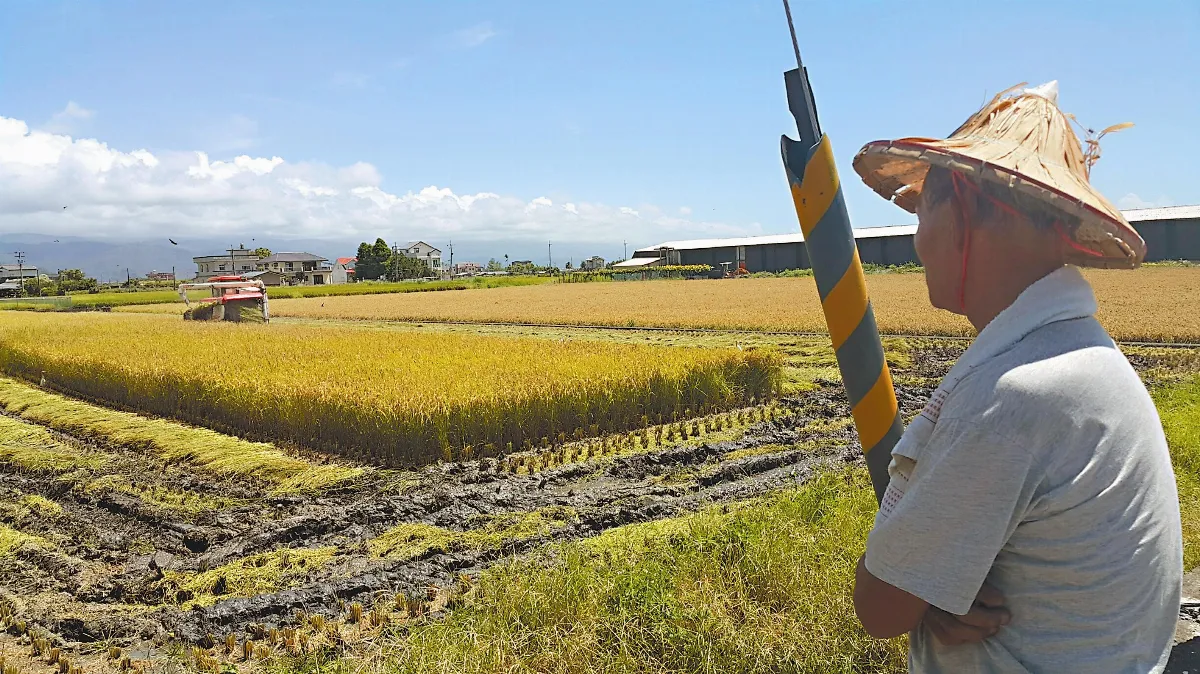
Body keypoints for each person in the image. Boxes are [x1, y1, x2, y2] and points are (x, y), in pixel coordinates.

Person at [848, 81, 1182, 673]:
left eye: (924, 208)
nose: (917, 238)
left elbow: (879, 608)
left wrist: (919, 595)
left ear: (966, 205)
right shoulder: (1078, 357)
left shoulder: (1014, 395)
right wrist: (931, 594)